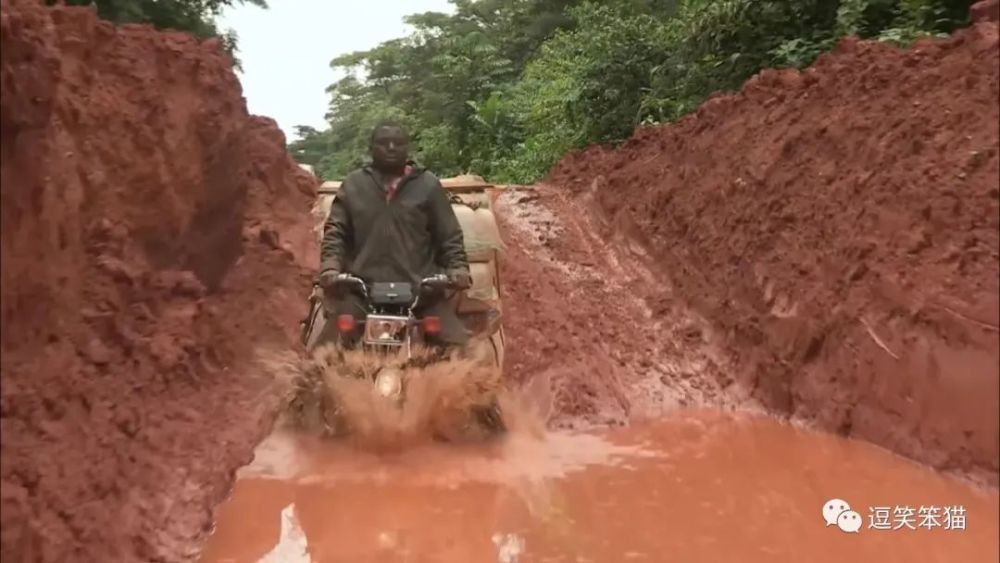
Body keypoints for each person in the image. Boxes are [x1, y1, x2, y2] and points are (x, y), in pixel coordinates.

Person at [316, 121, 472, 350]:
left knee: (467, 357)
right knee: (322, 357)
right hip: (364, 292)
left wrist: (458, 269)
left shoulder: (428, 185)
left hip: (421, 293)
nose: (391, 147)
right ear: (370, 148)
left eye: (397, 143)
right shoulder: (353, 185)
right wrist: (330, 267)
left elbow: (449, 235)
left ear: (407, 148)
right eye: (383, 142)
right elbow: (336, 232)